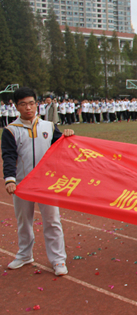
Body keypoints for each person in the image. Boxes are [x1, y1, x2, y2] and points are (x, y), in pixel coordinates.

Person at [2, 87, 75, 276]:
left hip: (46, 184)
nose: (28, 108)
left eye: (32, 103)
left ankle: (58, 260)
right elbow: (9, 156)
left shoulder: (48, 127)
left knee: (52, 221)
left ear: (37, 104)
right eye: (23, 104)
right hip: (22, 183)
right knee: (24, 221)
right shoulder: (11, 131)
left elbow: (63, 146)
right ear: (16, 106)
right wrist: (10, 180)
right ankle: (25, 255)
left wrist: (68, 135)